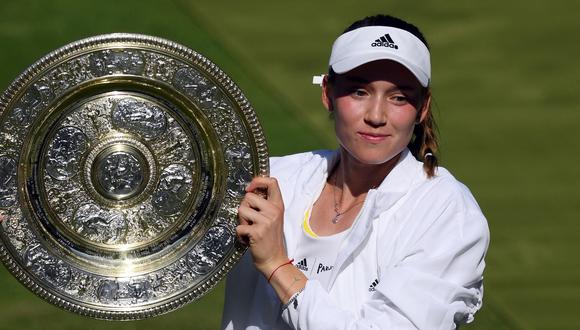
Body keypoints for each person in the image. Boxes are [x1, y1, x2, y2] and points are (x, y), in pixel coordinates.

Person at [221, 14, 490, 329]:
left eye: (399, 97)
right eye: (359, 92)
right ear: (327, 93)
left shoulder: (445, 211)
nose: (376, 115)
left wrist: (277, 266)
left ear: (423, 108)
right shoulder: (271, 179)